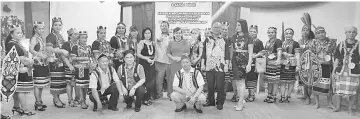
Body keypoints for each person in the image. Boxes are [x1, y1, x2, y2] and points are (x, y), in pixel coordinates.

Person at [5, 25, 35, 116]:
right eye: (17, 33)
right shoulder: (13, 44)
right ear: (12, 34)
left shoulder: (15, 43)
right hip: (19, 69)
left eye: (21, 32)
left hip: (17, 70)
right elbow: (22, 59)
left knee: (17, 90)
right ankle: (25, 109)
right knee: (21, 90)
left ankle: (16, 107)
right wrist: (34, 60)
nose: (20, 34)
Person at [201, 22, 229, 110]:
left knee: (220, 86)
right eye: (215, 27)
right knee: (210, 85)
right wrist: (203, 64)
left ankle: (220, 102)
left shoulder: (225, 40)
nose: (216, 29)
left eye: (218, 27)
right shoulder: (207, 39)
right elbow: (204, 53)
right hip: (209, 66)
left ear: (221, 29)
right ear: (212, 28)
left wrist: (227, 65)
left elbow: (227, 53)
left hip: (220, 65)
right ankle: (211, 101)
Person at [332, 26, 359, 115]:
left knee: (353, 91)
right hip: (341, 71)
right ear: (345, 33)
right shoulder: (340, 44)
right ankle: (338, 106)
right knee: (338, 90)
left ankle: (350, 108)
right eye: (349, 32)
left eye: (353, 32)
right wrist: (333, 70)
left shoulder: (359, 45)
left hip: (354, 72)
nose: (351, 34)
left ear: (356, 34)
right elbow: (336, 58)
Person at [46, 17, 71, 108]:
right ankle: (56, 99)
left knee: (60, 81)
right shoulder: (51, 36)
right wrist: (62, 51)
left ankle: (57, 98)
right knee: (55, 81)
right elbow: (49, 49)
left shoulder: (60, 36)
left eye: (59, 25)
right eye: (55, 25)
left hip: (61, 62)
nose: (58, 26)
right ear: (52, 26)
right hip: (55, 62)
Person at [228, 20, 253, 111]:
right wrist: (230, 62)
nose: (237, 27)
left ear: (243, 26)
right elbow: (231, 51)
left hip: (244, 60)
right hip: (234, 60)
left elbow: (250, 52)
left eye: (239, 25)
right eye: (236, 25)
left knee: (241, 82)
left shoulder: (248, 37)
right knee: (238, 82)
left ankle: (240, 102)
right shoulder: (233, 37)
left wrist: (249, 63)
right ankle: (241, 100)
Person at [310, 26, 337, 109]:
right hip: (316, 66)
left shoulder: (332, 42)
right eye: (318, 33)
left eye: (322, 32)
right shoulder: (313, 42)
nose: (321, 34)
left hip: (328, 66)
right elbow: (311, 54)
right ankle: (317, 103)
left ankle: (329, 103)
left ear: (325, 33)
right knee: (316, 84)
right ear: (316, 35)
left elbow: (335, 54)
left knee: (329, 85)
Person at [29, 21, 49, 111]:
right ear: (35, 29)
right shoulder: (34, 38)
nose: (42, 30)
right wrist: (40, 55)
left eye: (43, 28)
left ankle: (40, 100)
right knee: (37, 84)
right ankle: (37, 102)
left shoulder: (41, 38)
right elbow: (31, 50)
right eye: (39, 28)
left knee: (41, 84)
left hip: (43, 62)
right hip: (38, 62)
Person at [70, 31, 93, 109]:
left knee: (86, 85)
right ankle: (82, 100)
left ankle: (84, 100)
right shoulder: (75, 47)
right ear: (78, 38)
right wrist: (84, 58)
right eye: (82, 37)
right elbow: (72, 58)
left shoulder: (89, 47)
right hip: (80, 68)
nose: (84, 39)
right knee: (80, 85)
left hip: (88, 68)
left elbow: (91, 57)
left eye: (85, 37)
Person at [167, 27, 191, 100]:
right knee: (173, 79)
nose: (178, 34)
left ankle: (183, 94)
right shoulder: (171, 42)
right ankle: (172, 94)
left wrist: (180, 58)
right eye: (176, 33)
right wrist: (173, 58)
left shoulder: (185, 42)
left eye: (180, 33)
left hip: (183, 64)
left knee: (183, 78)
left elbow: (188, 52)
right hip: (173, 63)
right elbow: (168, 53)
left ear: (181, 34)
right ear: (174, 34)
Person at [279, 28, 300, 103]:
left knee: (291, 81)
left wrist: (298, 65)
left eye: (290, 33)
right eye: (286, 33)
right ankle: (282, 96)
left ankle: (288, 96)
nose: (288, 35)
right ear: (284, 35)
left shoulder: (296, 43)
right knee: (282, 81)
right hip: (283, 64)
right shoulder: (281, 43)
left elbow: (297, 55)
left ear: (292, 34)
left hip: (292, 64)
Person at [297, 20, 315, 105]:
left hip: (310, 64)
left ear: (310, 31)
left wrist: (307, 47)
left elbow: (314, 51)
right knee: (303, 80)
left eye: (307, 29)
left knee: (309, 81)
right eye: (303, 29)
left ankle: (308, 97)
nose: (305, 31)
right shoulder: (299, 41)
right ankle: (304, 95)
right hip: (302, 63)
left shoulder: (313, 41)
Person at [262, 27, 282, 103]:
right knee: (269, 80)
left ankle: (273, 96)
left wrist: (279, 59)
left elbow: (279, 51)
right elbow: (266, 52)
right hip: (268, 63)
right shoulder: (267, 42)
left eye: (272, 32)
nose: (270, 34)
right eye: (269, 32)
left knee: (275, 81)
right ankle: (269, 95)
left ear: (275, 33)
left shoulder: (278, 41)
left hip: (275, 63)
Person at [137, 27, 156, 105]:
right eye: (146, 33)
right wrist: (146, 59)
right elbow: (138, 54)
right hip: (144, 63)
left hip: (151, 63)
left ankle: (148, 97)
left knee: (151, 81)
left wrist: (153, 60)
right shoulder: (141, 42)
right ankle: (144, 98)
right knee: (144, 80)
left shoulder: (153, 43)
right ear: (143, 34)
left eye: (149, 33)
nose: (147, 35)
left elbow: (156, 53)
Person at [245, 25, 264, 102]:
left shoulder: (259, 42)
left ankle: (252, 95)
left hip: (254, 63)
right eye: (251, 31)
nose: (252, 33)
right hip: (246, 62)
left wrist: (255, 55)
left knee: (252, 78)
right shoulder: (246, 40)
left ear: (257, 32)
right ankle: (249, 94)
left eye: (254, 31)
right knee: (247, 78)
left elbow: (262, 52)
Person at [154, 21, 172, 99]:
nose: (164, 27)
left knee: (169, 79)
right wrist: (158, 40)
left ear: (168, 27)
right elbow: (155, 43)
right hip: (159, 61)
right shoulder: (157, 36)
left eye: (165, 26)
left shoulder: (171, 37)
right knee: (159, 80)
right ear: (160, 27)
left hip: (170, 61)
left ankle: (170, 94)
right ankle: (159, 94)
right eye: (162, 26)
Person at [62, 28, 79, 107]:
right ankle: (70, 99)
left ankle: (77, 99)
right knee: (69, 83)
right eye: (75, 34)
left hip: (78, 66)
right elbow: (63, 56)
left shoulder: (79, 44)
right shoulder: (66, 44)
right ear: (70, 35)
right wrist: (69, 65)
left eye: (77, 34)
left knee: (76, 83)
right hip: (69, 66)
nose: (77, 36)